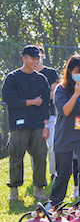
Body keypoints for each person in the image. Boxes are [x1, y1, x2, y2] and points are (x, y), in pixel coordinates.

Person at [48, 55, 80, 207]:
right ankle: (55, 202)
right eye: (78, 71)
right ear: (70, 71)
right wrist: (76, 94)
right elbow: (65, 111)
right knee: (64, 173)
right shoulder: (61, 89)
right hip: (64, 136)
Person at [2, 45, 51, 201]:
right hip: (18, 125)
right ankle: (14, 190)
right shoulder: (12, 78)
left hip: (38, 125)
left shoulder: (41, 79)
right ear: (24, 59)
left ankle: (39, 189)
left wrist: (46, 125)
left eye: (38, 58)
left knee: (41, 155)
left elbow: (45, 104)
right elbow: (10, 100)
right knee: (15, 155)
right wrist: (32, 102)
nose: (36, 61)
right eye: (33, 58)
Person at [33, 45, 60, 180]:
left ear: (43, 56)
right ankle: (36, 175)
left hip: (50, 114)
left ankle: (53, 173)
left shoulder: (51, 72)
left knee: (52, 146)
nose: (36, 59)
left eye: (38, 56)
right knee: (34, 147)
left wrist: (37, 99)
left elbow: (53, 93)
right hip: (32, 115)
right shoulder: (25, 74)